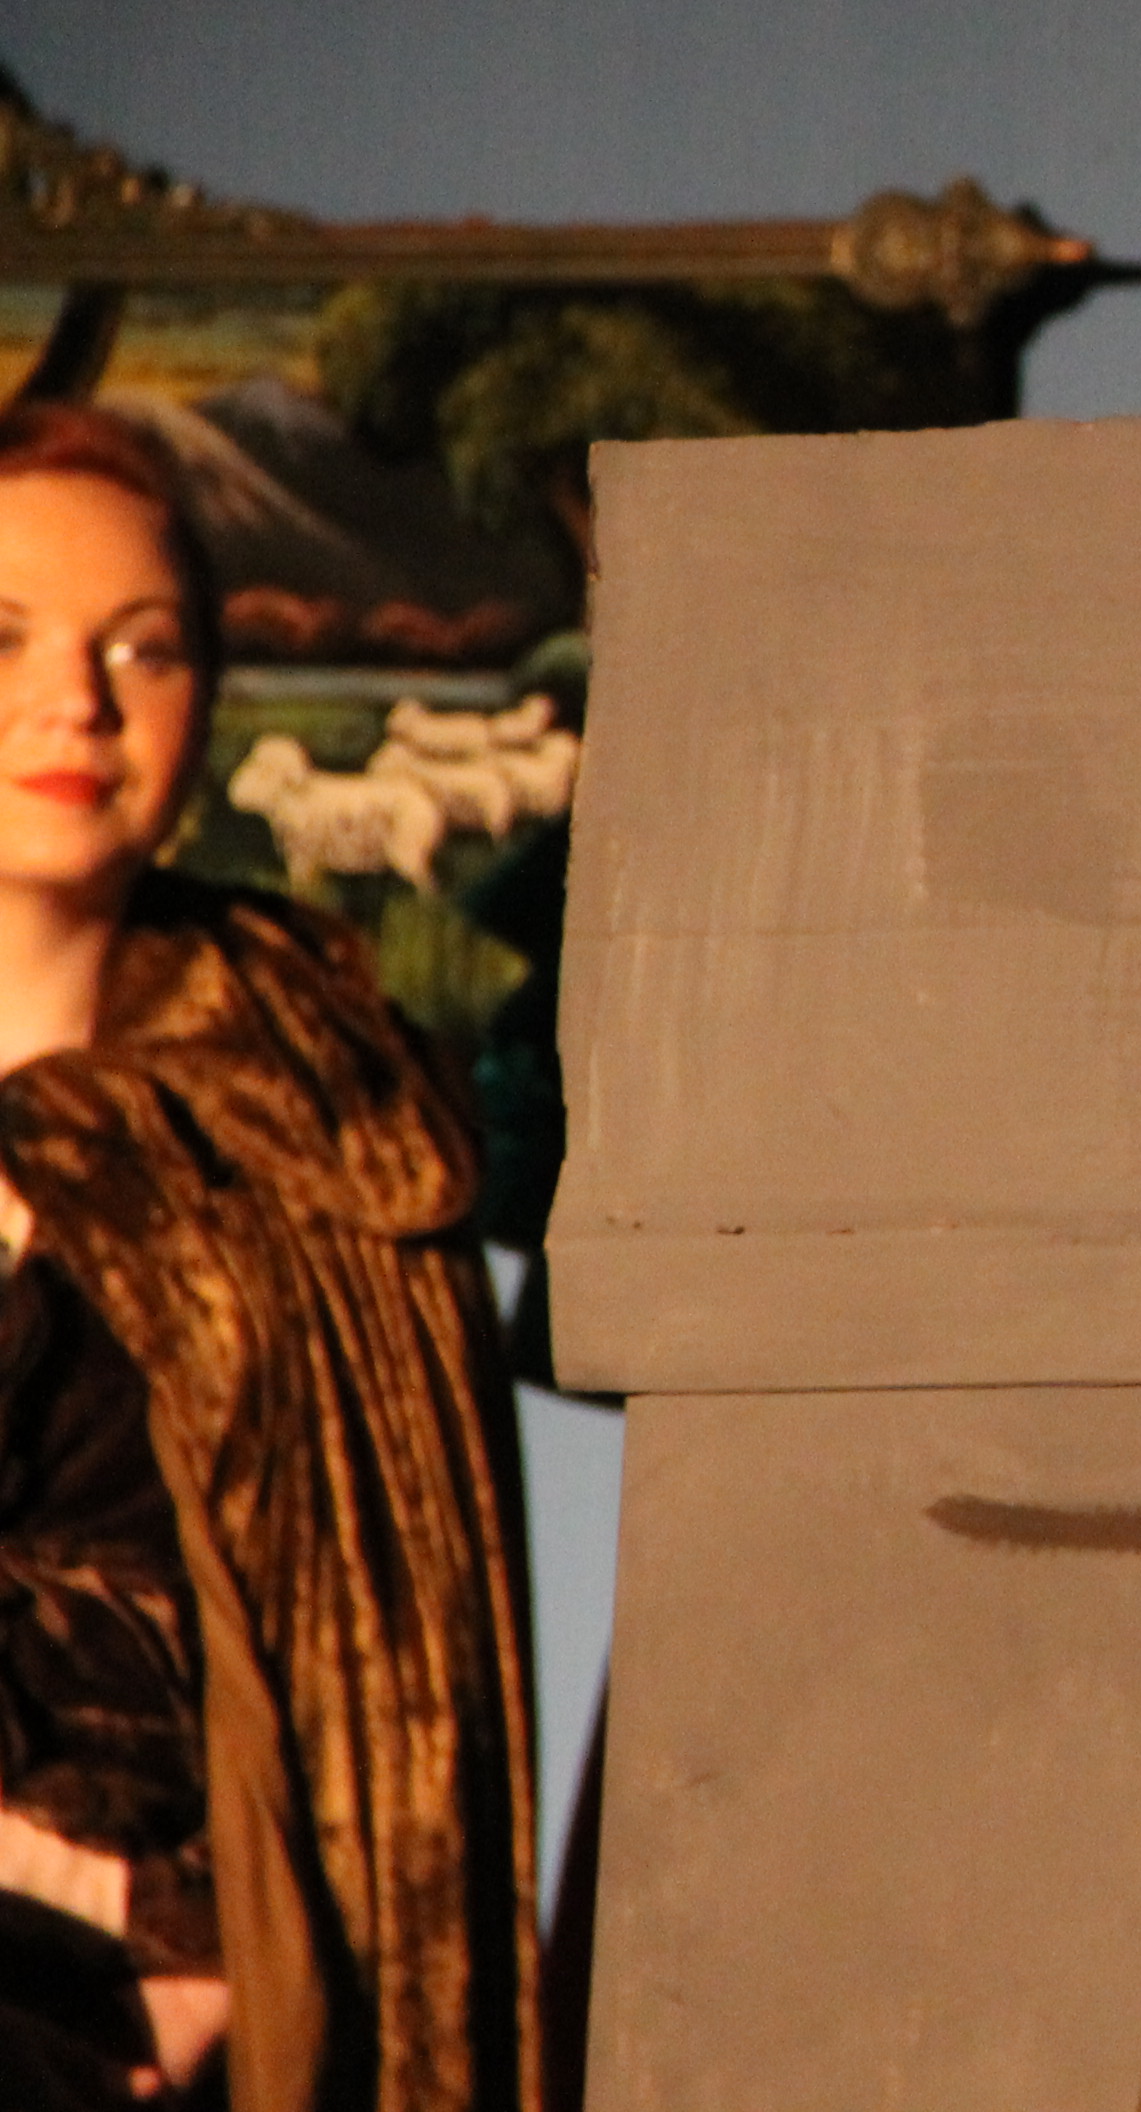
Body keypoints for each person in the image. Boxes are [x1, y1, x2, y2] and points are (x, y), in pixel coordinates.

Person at [0, 404, 540, 2112]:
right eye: (6, 638)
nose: (78, 704)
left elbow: (385, 1696)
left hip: (133, 2010)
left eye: (140, 650)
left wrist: (190, 1963)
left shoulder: (313, 1103)